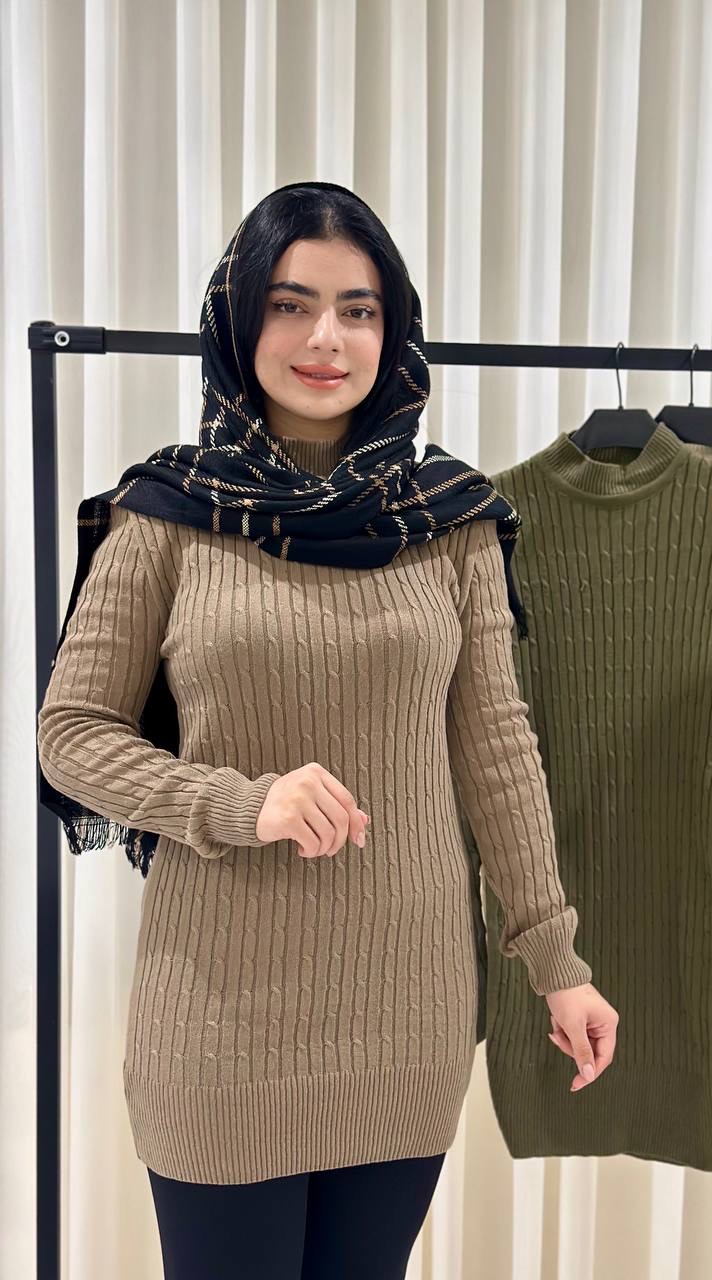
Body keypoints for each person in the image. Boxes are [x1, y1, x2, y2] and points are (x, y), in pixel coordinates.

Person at [37, 181, 619, 1279]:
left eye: (358, 309)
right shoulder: (164, 513)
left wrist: (559, 961)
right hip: (218, 1024)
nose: (325, 339)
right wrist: (238, 801)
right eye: (291, 304)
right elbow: (70, 734)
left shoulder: (452, 518)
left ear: (393, 331)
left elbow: (498, 751)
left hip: (407, 1014)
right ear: (238, 318)